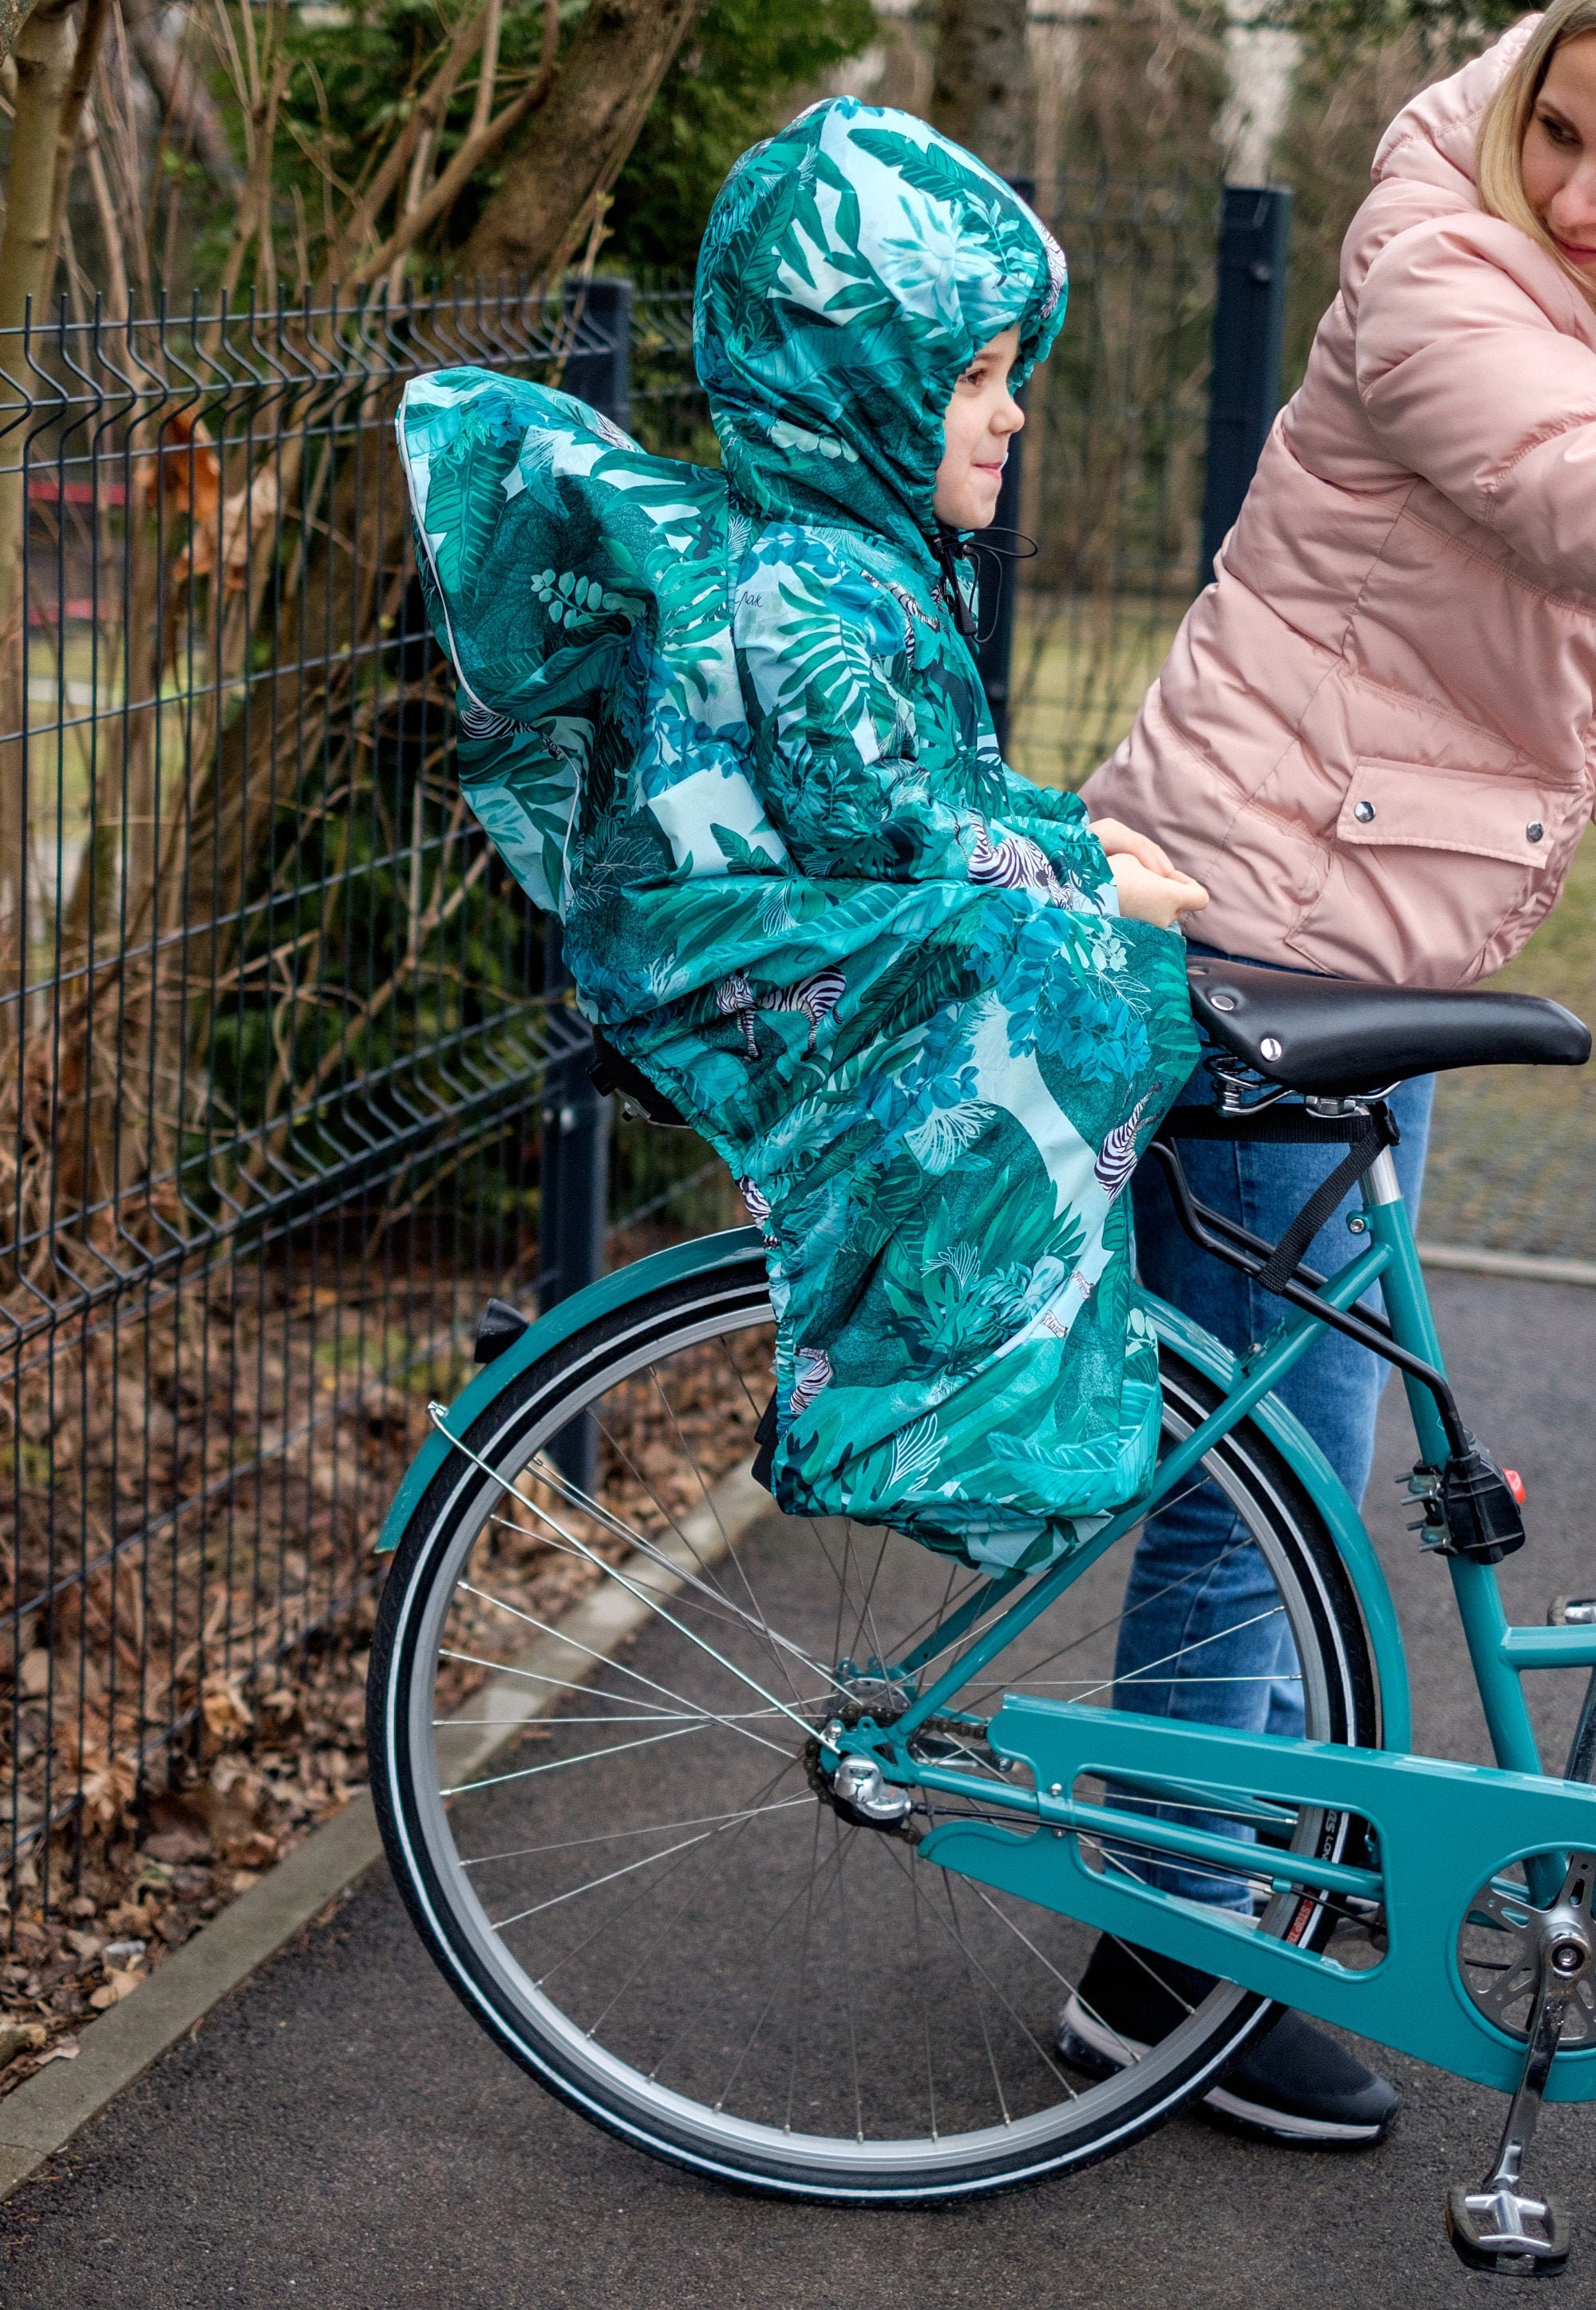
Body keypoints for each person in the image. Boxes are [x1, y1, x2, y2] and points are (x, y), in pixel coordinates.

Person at [401, 101, 1205, 1604]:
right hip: (744, 950)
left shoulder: (863, 562)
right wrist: (1085, 881)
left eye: (1011, 374)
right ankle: (935, 1405)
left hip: (790, 919)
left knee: (1061, 951)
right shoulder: (809, 582)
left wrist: (1057, 831)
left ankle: (974, 1372)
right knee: (1059, 971)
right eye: (971, 376)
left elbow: (932, 788)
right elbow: (879, 820)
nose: (1011, 412)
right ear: (861, 388)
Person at [1068, 0, 1596, 2146]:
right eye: (1565, 131)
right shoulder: (1438, 264)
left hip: (1373, 923)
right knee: (1251, 1480)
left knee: (1301, 1450)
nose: (1574, 192)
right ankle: (1165, 1957)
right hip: (1280, 926)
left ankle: (1239, 1864)